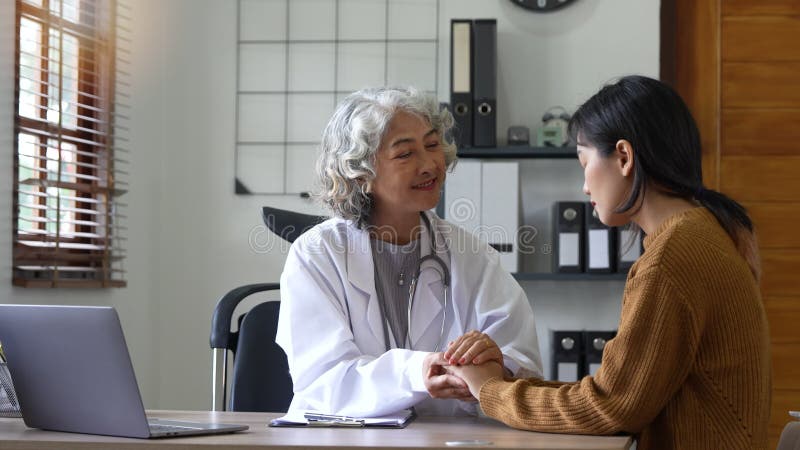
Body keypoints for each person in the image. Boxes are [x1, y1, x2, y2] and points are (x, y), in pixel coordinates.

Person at [446, 75, 771, 449]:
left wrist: (491, 390)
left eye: (584, 162)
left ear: (623, 157)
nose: (584, 186)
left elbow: (610, 407)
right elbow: (616, 394)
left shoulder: (673, 256)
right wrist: (501, 385)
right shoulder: (701, 233)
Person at [275, 86, 543, 418]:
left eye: (432, 145)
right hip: (341, 438)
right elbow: (323, 381)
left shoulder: (472, 256)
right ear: (361, 174)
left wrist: (495, 366)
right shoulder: (316, 255)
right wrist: (418, 372)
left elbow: (524, 366)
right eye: (405, 154)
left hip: (442, 440)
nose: (430, 163)